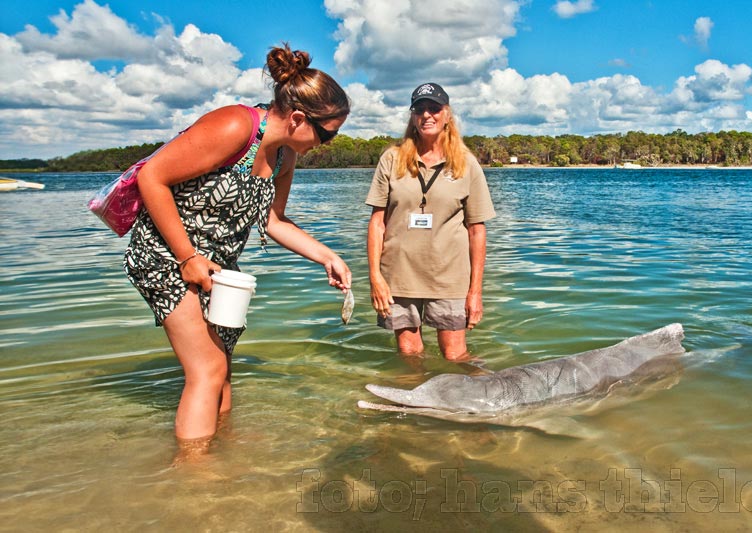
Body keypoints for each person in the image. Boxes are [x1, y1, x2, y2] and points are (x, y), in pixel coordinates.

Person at [124, 44, 351, 453]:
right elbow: (152, 177)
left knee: (222, 369)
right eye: (327, 134)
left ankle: (226, 460)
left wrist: (328, 256)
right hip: (166, 255)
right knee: (206, 369)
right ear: (299, 119)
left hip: (220, 270)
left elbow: (273, 220)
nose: (328, 143)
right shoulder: (235, 127)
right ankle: (195, 477)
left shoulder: (284, 156)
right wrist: (187, 258)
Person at [366, 83, 496, 361]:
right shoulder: (392, 159)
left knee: (456, 356)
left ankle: (472, 402)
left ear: (447, 114)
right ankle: (413, 403)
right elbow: (377, 223)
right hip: (399, 276)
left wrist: (475, 291)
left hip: (449, 277)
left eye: (434, 108)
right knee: (409, 355)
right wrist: (375, 277)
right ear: (412, 116)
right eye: (420, 109)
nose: (427, 115)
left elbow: (477, 230)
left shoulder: (466, 163)